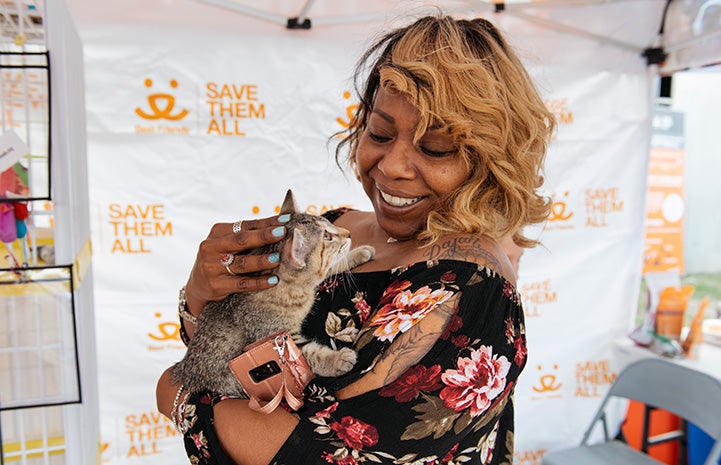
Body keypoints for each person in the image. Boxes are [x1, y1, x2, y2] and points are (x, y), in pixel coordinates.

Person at [156, 14, 554, 465]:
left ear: (490, 157)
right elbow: (222, 356)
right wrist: (198, 296)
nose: (392, 167)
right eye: (380, 133)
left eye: (435, 148)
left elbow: (316, 452)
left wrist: (174, 394)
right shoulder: (334, 224)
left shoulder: (469, 289)